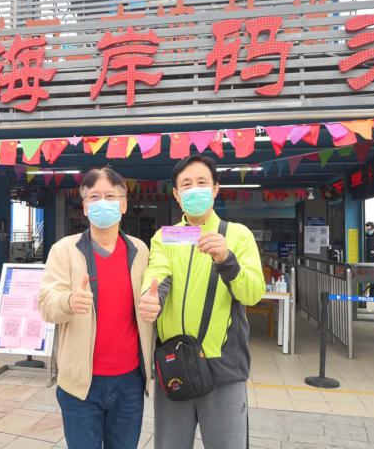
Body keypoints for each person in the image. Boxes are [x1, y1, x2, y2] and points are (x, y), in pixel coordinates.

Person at [138, 155, 265, 449]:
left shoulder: (237, 235)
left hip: (223, 368)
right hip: (174, 366)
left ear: (215, 188)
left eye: (201, 182)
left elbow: (253, 293)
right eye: (186, 184)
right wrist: (150, 297)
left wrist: (227, 259)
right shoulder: (166, 236)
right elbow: (158, 274)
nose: (194, 189)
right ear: (176, 194)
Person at [38, 167, 153, 449]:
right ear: (85, 207)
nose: (103, 202)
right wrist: (68, 301)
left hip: (130, 383)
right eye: (94, 197)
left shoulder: (140, 251)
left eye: (111, 196)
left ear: (123, 205)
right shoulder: (64, 250)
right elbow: (46, 305)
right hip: (80, 385)